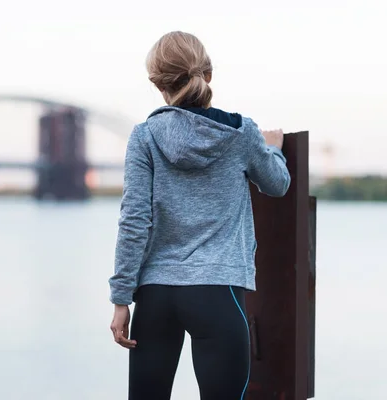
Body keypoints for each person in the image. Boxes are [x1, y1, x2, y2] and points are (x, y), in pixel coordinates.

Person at [108, 31, 291, 400]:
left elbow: (134, 220)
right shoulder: (241, 132)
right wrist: (274, 151)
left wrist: (121, 299)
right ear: (207, 74)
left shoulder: (143, 136)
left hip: (154, 294)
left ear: (157, 83)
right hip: (217, 292)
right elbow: (277, 184)